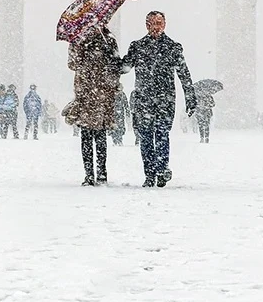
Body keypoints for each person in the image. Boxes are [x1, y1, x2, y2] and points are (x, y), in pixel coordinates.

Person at [121, 11, 196, 188]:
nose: (156, 27)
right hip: (144, 100)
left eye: (159, 23)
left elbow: (184, 74)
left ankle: (161, 169)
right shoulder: (137, 47)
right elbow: (125, 67)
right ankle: (149, 173)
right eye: (152, 23)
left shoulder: (172, 47)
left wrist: (190, 96)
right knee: (146, 137)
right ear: (146, 25)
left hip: (165, 100)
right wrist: (112, 59)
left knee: (162, 134)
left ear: (164, 25)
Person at [67, 24, 121, 186]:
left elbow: (116, 64)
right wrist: (82, 48)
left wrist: (107, 52)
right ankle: (89, 173)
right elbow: (72, 64)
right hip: (85, 93)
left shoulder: (108, 38)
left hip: (103, 93)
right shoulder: (78, 40)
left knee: (100, 135)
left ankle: (102, 172)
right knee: (86, 136)